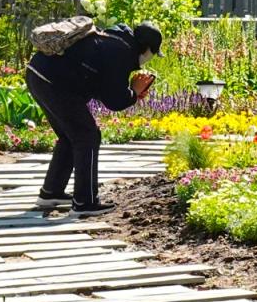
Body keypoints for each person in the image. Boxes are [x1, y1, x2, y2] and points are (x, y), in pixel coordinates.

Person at [25, 23, 162, 215]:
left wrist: (132, 93)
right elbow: (115, 101)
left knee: (71, 135)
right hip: (54, 82)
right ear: (147, 49)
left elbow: (98, 84)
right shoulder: (122, 52)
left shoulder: (113, 40)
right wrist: (133, 93)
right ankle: (85, 203)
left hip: (38, 74)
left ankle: (51, 193)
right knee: (87, 135)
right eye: (153, 53)